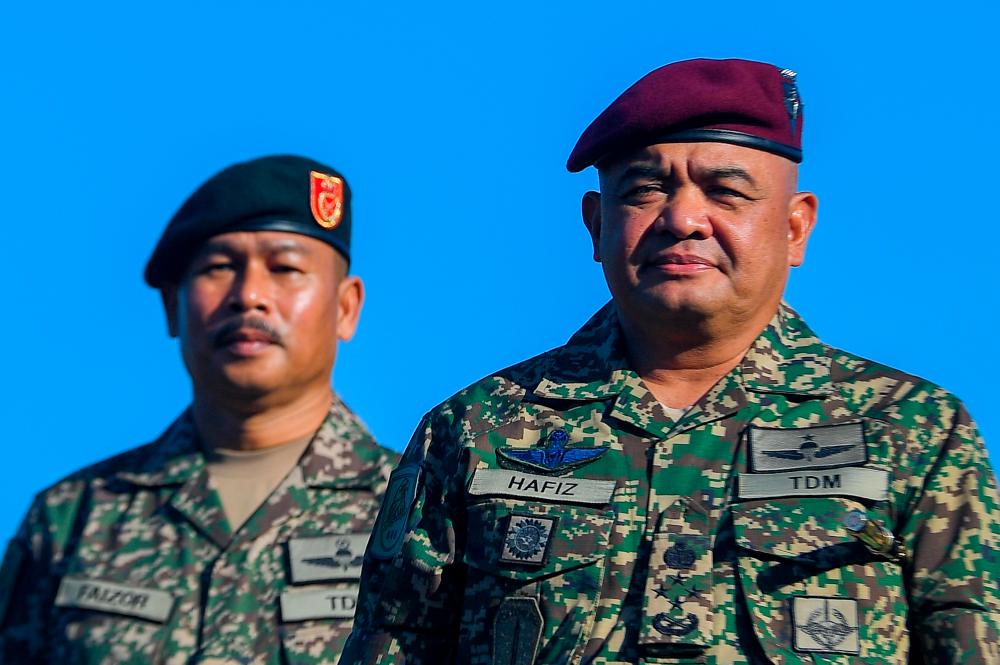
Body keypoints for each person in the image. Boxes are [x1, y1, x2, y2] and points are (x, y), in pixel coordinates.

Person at [340, 59, 1000, 664]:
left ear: (795, 227)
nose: (683, 218)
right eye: (646, 190)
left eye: (727, 192)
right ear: (596, 226)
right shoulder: (476, 431)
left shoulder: (910, 430)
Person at [0, 155, 399, 664]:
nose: (249, 296)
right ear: (172, 306)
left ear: (345, 307)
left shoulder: (416, 513)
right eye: (219, 268)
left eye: (286, 269)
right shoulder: (73, 519)